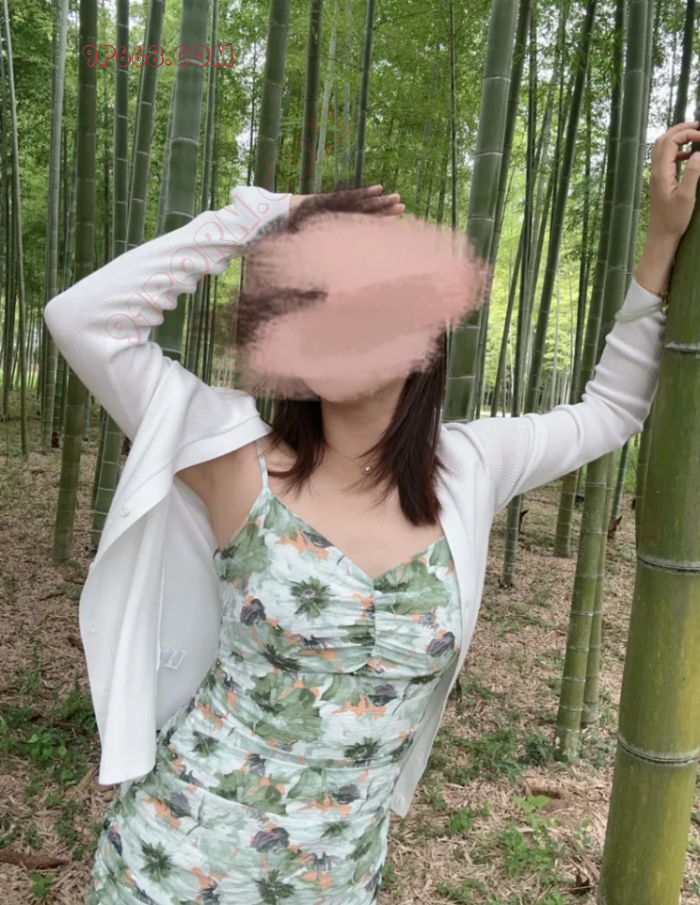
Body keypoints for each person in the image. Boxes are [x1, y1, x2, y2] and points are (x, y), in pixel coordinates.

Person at [45, 122, 700, 905]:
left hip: (341, 880)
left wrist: (662, 242)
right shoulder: (230, 457)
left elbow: (612, 409)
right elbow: (84, 318)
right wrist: (271, 215)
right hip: (176, 865)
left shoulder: (469, 467)